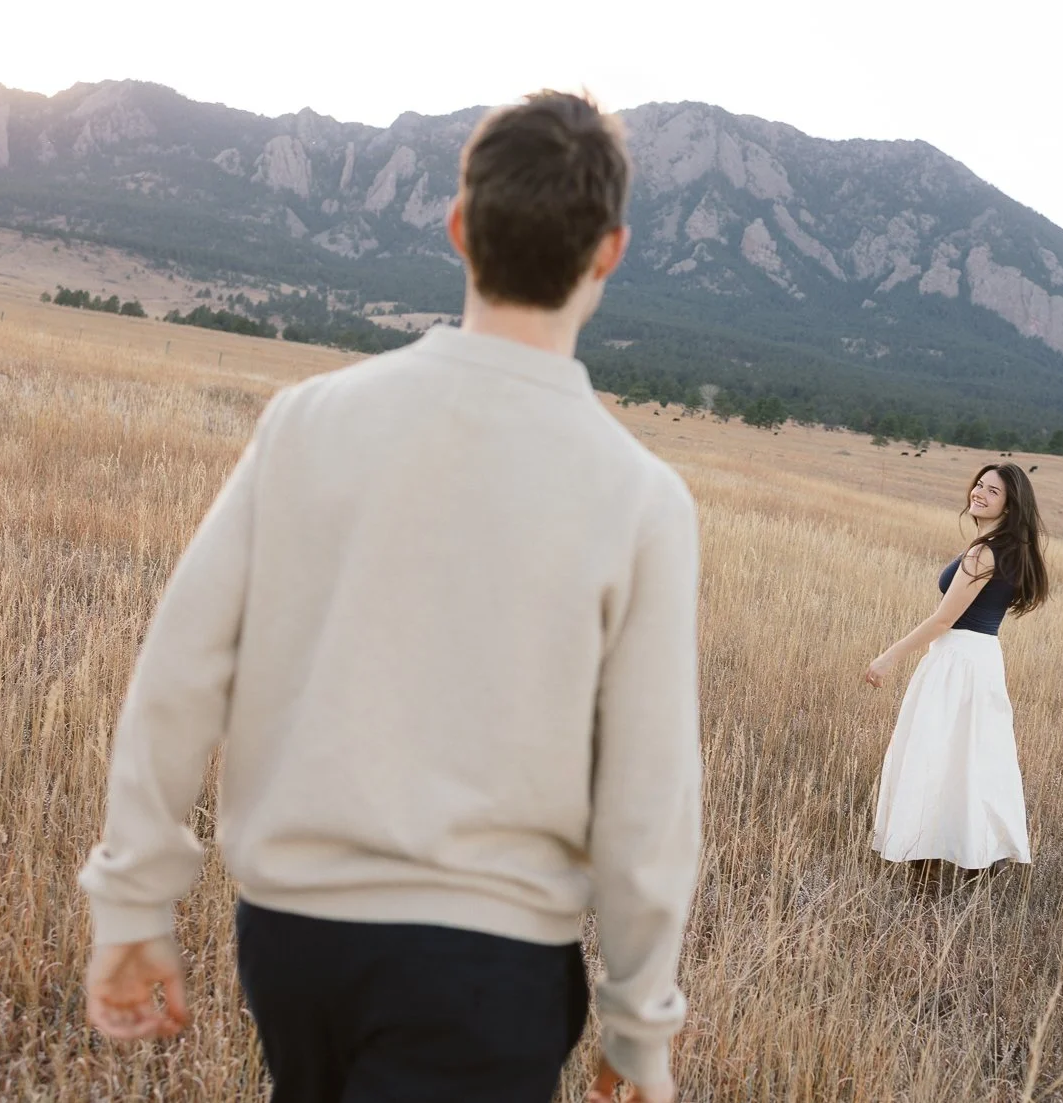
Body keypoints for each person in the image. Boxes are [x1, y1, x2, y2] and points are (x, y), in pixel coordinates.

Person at [79, 91, 702, 1103]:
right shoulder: (642, 500)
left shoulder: (306, 424)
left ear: (457, 228)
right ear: (610, 252)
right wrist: (638, 1025)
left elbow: (178, 669)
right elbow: (649, 802)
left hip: (290, 945)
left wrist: (132, 901)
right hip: (485, 966)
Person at [863, 463, 1049, 870]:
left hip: (957, 660)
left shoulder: (985, 552)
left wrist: (888, 656)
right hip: (981, 659)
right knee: (970, 760)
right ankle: (971, 857)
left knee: (935, 758)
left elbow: (943, 619)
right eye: (979, 485)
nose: (979, 493)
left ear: (1010, 504)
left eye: (992, 491)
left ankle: (926, 864)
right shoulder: (1008, 549)